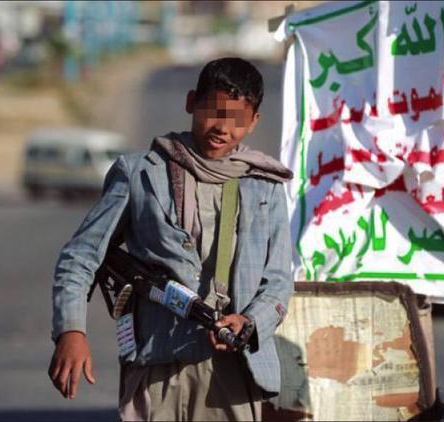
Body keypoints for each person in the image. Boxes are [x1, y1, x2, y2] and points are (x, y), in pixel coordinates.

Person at [48, 57, 293, 421]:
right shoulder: (138, 173)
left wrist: (249, 321)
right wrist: (70, 330)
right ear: (192, 101)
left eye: (238, 119)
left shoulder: (265, 187)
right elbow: (81, 257)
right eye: (214, 111)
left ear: (254, 121)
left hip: (231, 371)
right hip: (155, 363)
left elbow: (277, 282)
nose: (223, 128)